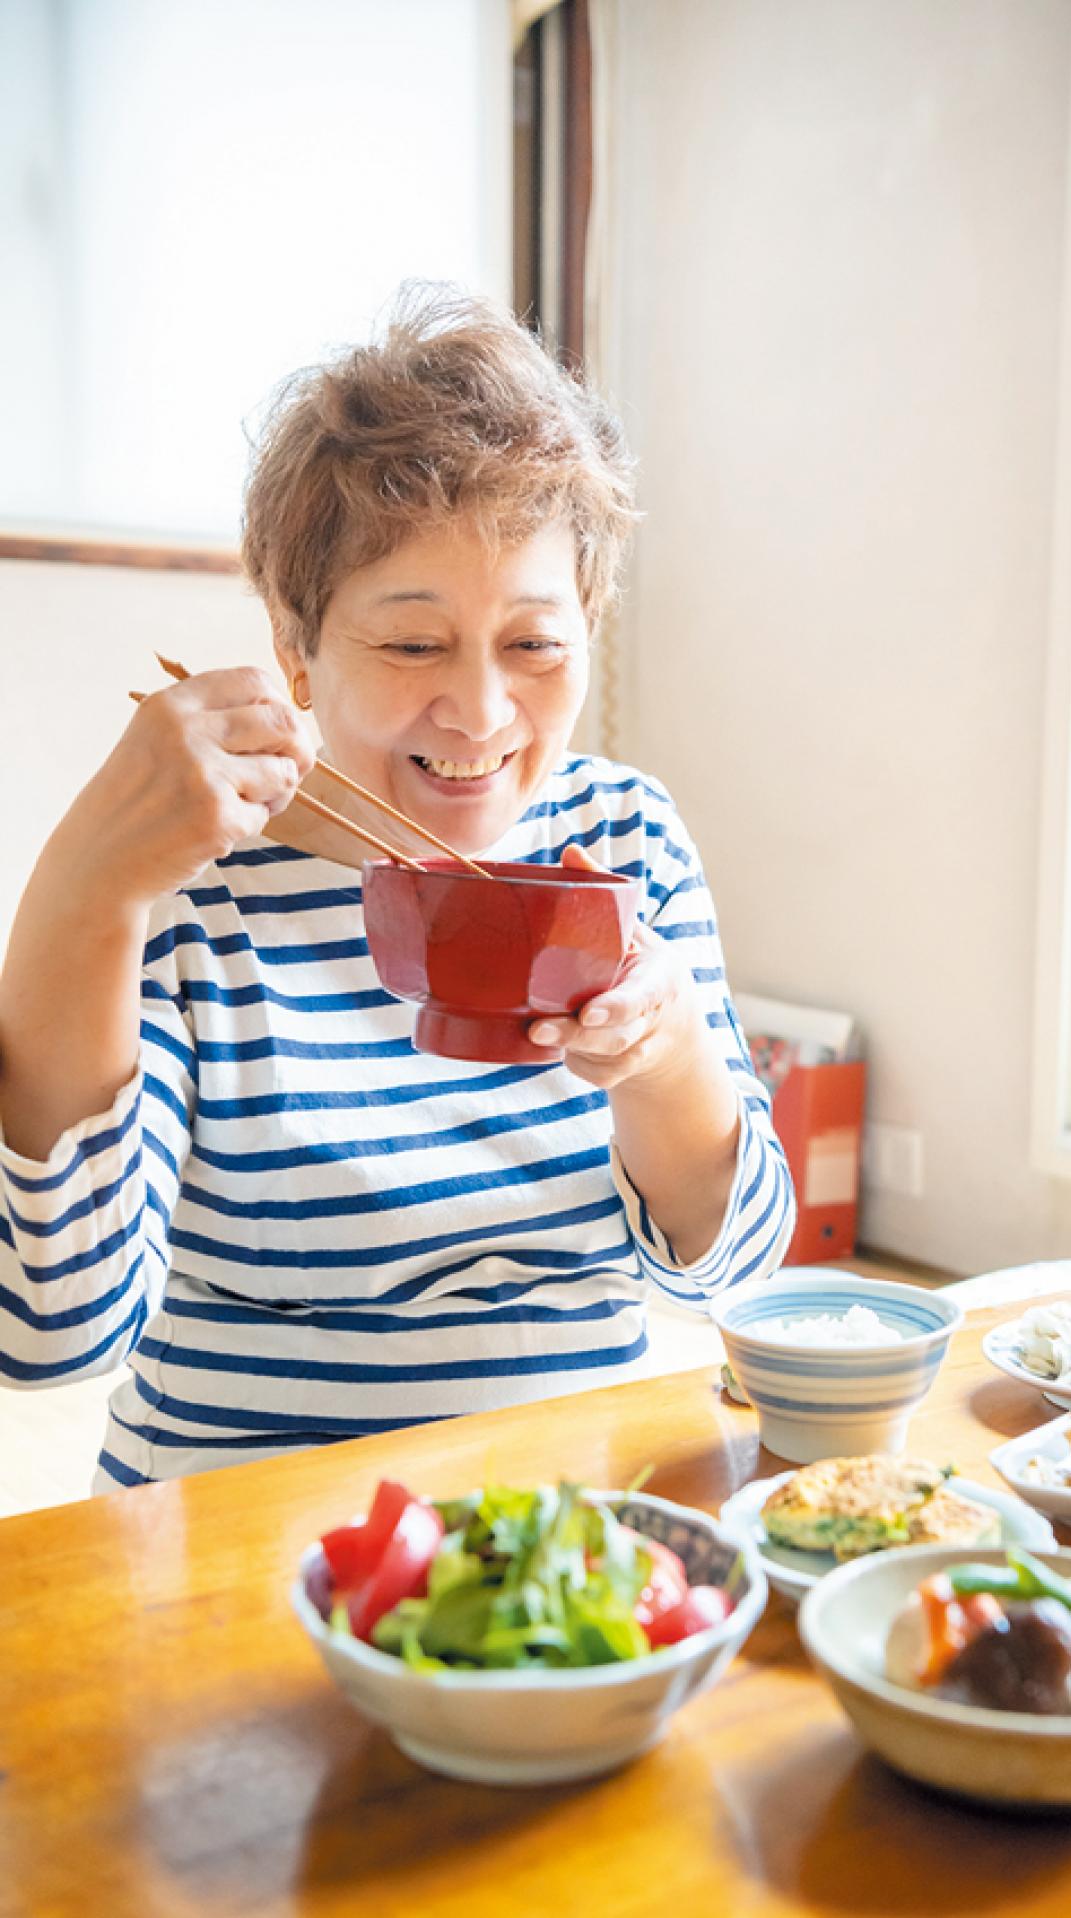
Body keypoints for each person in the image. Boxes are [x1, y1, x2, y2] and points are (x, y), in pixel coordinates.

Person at [0, 286, 794, 1487]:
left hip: (564, 1535)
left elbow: (733, 1267)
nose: (479, 712)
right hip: (244, 1548)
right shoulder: (192, 896)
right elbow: (46, 1333)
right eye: (413, 643)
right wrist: (85, 891)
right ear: (295, 651)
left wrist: (667, 1051)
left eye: (534, 644)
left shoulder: (625, 839)